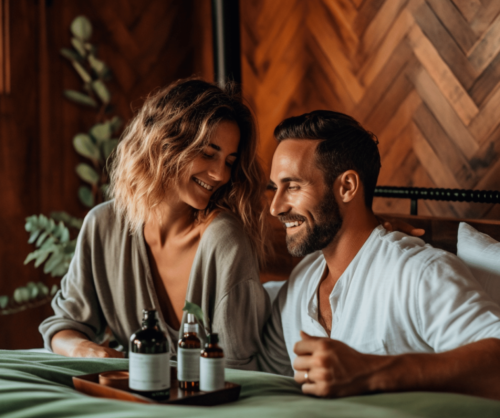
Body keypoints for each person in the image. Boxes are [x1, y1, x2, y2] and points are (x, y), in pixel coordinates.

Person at [259, 110, 500, 400]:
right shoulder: (300, 281)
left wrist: (372, 371)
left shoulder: (418, 272)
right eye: (275, 187)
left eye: (293, 186)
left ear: (347, 187)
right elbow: (265, 373)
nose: (275, 207)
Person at [40, 78, 271, 370]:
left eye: (229, 161)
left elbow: (238, 370)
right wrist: (85, 350)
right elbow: (64, 327)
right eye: (208, 154)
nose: (220, 174)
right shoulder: (103, 225)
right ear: (164, 143)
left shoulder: (224, 241)